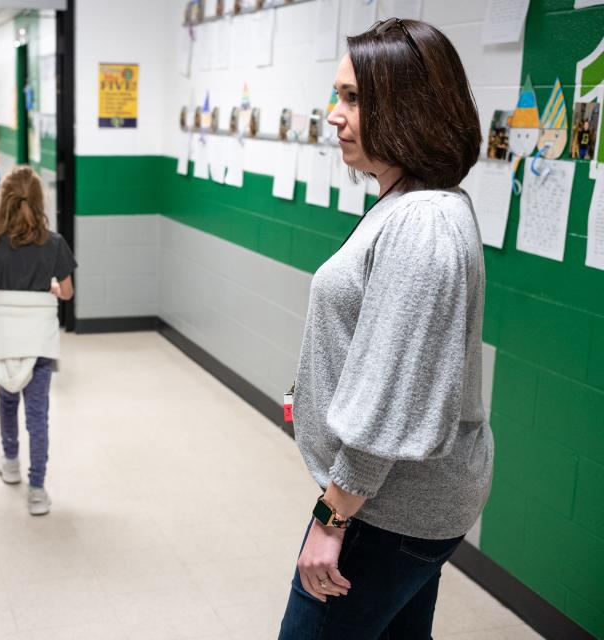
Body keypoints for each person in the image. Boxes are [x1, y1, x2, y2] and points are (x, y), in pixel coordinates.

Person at [277, 18, 492, 640]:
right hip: (395, 504)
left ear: (408, 108)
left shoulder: (422, 223)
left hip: (385, 511)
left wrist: (331, 519)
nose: (334, 115)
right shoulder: (407, 205)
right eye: (337, 95)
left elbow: (391, 395)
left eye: (352, 99)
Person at [0, 166, 76, 515]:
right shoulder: (55, 243)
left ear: (3, 202)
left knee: (7, 400)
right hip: (39, 342)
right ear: (39, 201)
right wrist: (52, 287)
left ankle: (11, 461)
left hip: (6, 338)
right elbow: (67, 292)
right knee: (38, 415)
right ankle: (37, 488)